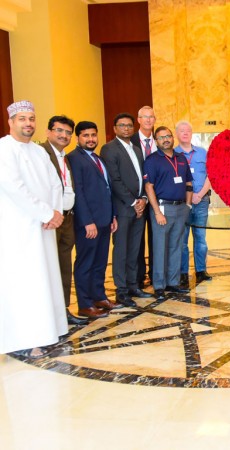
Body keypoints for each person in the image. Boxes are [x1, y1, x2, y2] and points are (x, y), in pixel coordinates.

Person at [0, 100, 67, 358]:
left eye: (31, 118)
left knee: (46, 279)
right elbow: (14, 187)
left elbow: (54, 184)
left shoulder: (39, 152)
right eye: (22, 119)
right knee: (26, 283)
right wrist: (45, 212)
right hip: (20, 230)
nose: (28, 123)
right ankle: (24, 340)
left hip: (45, 226)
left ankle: (48, 332)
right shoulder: (5, 149)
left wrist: (56, 213)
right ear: (11, 122)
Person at [68, 121, 120, 319]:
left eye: (93, 135)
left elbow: (107, 189)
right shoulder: (74, 158)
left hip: (104, 220)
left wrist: (112, 215)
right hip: (89, 223)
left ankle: (99, 297)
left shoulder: (97, 158)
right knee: (85, 262)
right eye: (85, 135)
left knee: (99, 262)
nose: (90, 139)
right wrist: (87, 221)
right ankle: (85, 304)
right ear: (78, 138)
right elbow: (78, 192)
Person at [40, 115, 88, 325]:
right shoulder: (41, 154)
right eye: (59, 131)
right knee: (48, 267)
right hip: (50, 219)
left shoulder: (64, 157)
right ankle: (48, 312)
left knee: (64, 266)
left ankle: (64, 309)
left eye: (68, 132)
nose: (64, 135)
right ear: (49, 131)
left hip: (67, 218)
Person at [100, 113, 151, 307]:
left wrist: (143, 199)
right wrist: (133, 202)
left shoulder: (137, 150)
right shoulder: (109, 149)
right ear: (115, 129)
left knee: (135, 249)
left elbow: (142, 178)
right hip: (123, 209)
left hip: (139, 207)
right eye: (122, 125)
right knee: (121, 250)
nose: (127, 129)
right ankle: (121, 291)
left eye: (129, 126)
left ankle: (133, 286)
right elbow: (114, 180)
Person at [144, 126, 193, 301]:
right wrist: (156, 212)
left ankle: (172, 282)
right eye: (161, 137)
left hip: (181, 208)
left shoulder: (181, 158)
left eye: (168, 136)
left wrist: (188, 205)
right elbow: (148, 187)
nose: (165, 139)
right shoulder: (152, 160)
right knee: (160, 247)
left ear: (173, 138)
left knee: (176, 246)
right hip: (162, 208)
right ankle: (158, 285)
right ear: (156, 141)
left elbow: (188, 182)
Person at [174, 120, 212, 288]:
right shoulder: (172, 154)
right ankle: (182, 273)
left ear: (191, 133)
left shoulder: (203, 153)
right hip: (182, 204)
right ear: (177, 134)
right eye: (182, 130)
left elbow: (211, 176)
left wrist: (200, 194)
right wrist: (188, 197)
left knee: (200, 238)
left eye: (188, 130)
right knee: (182, 240)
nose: (185, 133)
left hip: (201, 201)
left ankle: (201, 271)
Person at [131, 106, 157, 287]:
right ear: (138, 120)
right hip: (137, 199)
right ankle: (139, 277)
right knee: (137, 240)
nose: (148, 120)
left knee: (156, 238)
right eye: (144, 117)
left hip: (156, 198)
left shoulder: (159, 141)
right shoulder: (129, 141)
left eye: (151, 117)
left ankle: (155, 274)